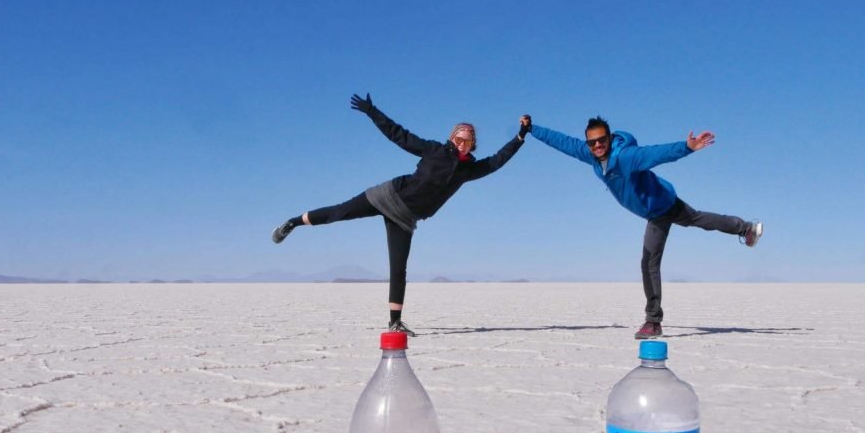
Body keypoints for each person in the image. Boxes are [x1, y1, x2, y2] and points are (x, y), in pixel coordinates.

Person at [272, 93, 529, 336]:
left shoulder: (469, 170)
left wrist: (519, 137)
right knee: (339, 212)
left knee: (398, 268)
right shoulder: (433, 150)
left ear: (473, 144)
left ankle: (394, 322)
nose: (461, 144)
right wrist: (372, 112)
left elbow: (497, 161)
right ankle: (293, 222)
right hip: (387, 196)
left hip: (406, 218)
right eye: (458, 139)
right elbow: (399, 135)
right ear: (451, 138)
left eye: (467, 141)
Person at [521, 114, 763, 339]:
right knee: (698, 219)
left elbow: (655, 153)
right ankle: (746, 228)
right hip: (659, 205)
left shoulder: (626, 157)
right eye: (592, 143)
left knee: (649, 263)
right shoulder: (591, 155)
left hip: (659, 209)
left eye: (601, 141)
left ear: (609, 137)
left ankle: (653, 322)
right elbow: (563, 142)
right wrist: (532, 128)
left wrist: (686, 147)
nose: (597, 146)